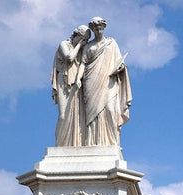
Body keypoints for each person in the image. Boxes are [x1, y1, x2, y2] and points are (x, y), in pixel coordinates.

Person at [76, 17, 132, 146]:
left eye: (101, 27)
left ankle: (112, 142)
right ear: (93, 29)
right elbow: (83, 64)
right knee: (91, 113)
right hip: (91, 80)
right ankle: (91, 142)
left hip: (109, 80)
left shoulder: (111, 43)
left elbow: (120, 61)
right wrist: (78, 79)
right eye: (96, 28)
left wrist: (121, 68)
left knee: (111, 110)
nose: (98, 30)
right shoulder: (88, 46)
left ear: (104, 28)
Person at [51, 25, 91, 146]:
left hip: (76, 84)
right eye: (84, 39)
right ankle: (60, 145)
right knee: (63, 115)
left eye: (87, 40)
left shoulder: (81, 51)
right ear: (77, 35)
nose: (85, 42)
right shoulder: (64, 44)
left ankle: (75, 143)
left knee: (77, 117)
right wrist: (79, 45)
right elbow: (69, 58)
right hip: (64, 81)